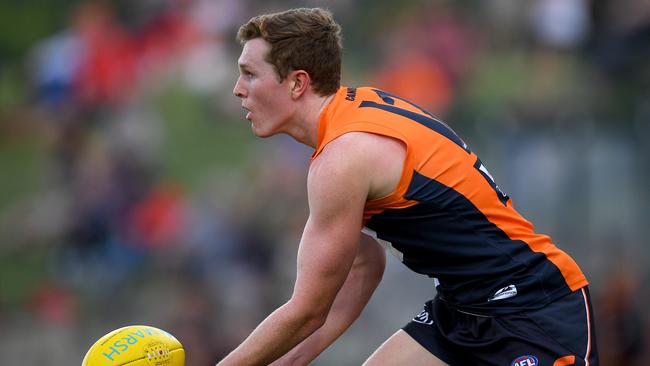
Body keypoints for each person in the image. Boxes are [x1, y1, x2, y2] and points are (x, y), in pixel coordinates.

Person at [220, 7, 599, 366]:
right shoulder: (352, 117)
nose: (238, 88)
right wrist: (294, 357)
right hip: (459, 311)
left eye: (250, 74)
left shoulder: (343, 157)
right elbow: (363, 263)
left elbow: (307, 310)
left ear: (298, 83)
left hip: (533, 309)